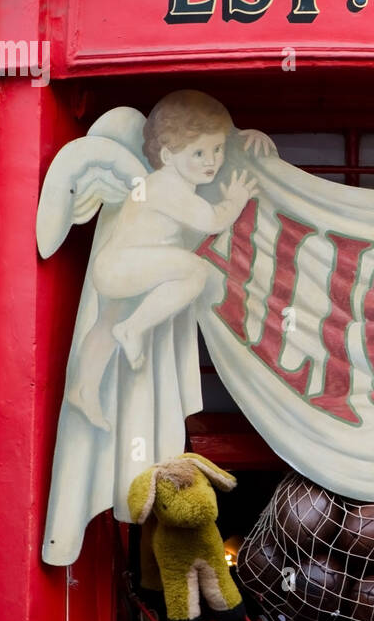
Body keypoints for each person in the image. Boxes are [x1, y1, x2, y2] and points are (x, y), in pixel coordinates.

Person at [69, 91, 258, 429]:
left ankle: (84, 390)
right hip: (126, 266)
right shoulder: (168, 186)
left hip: (118, 266)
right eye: (198, 152)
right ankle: (133, 329)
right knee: (195, 272)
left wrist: (244, 138)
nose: (211, 161)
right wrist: (236, 200)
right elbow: (213, 221)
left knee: (104, 324)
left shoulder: (169, 182)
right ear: (168, 156)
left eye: (217, 149)